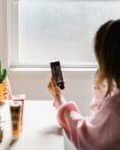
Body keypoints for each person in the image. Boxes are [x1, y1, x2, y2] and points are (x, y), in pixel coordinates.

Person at [48, 19, 120, 150]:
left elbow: (86, 137)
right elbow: (102, 128)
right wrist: (101, 89)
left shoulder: (114, 108)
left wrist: (59, 100)